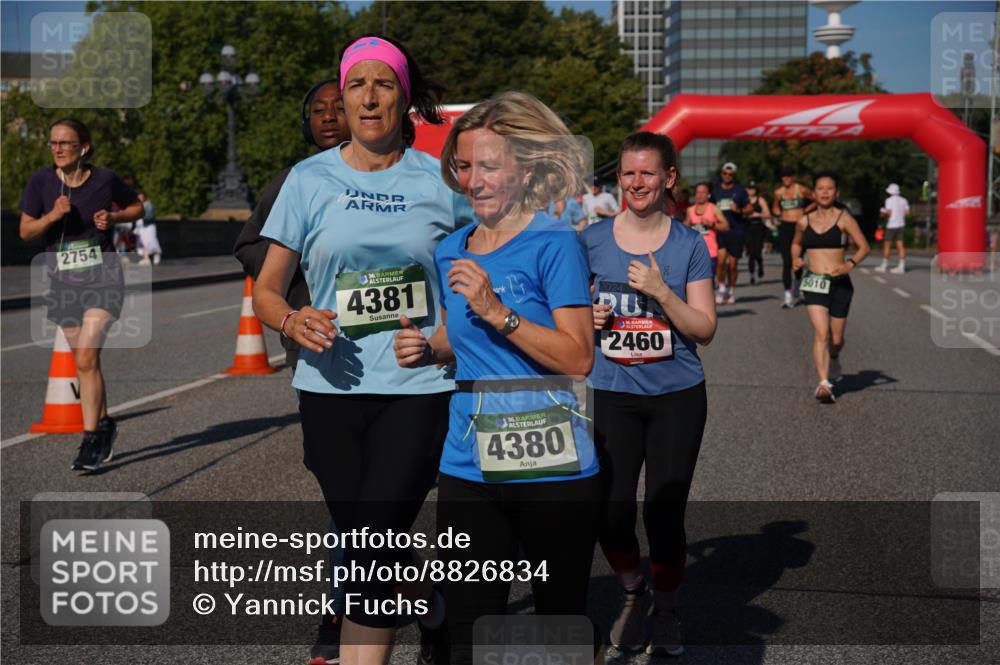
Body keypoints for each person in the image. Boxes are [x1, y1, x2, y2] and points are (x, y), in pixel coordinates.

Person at [253, 36, 461, 665]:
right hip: (329, 390)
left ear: (404, 97)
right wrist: (291, 322)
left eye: (384, 84)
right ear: (342, 99)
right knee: (370, 537)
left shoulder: (444, 179)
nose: (369, 97)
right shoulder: (307, 179)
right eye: (356, 86)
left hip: (417, 386)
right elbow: (265, 290)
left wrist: (440, 341)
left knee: (371, 544)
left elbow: (481, 275)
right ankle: (431, 600)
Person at [395, 91, 600, 665]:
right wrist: (427, 346)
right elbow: (457, 337)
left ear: (525, 168)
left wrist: (497, 311)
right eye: (464, 167)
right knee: (468, 624)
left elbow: (578, 356)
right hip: (469, 461)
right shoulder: (449, 249)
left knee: (558, 622)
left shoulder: (555, 242)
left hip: (553, 460)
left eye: (490, 166)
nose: (474, 181)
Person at [583, 132, 716, 657]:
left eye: (647, 173)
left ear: (669, 179)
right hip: (610, 392)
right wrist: (585, 317)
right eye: (628, 172)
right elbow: (564, 313)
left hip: (676, 397)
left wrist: (662, 292)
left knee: (664, 514)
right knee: (609, 513)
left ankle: (666, 607)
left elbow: (704, 328)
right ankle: (633, 592)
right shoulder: (590, 240)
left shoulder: (688, 246)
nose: (637, 182)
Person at [234, 77, 350, 665]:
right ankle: (344, 609)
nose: (329, 117)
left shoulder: (411, 177)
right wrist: (298, 283)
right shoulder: (298, 178)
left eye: (339, 107)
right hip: (317, 345)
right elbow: (251, 246)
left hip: (404, 362)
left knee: (388, 498)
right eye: (319, 111)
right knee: (344, 497)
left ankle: (399, 600)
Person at [19, 118, 144, 471]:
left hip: (103, 277)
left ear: (83, 148)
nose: (57, 148)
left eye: (65, 143)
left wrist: (114, 219)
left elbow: (135, 206)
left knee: (87, 357)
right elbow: (26, 231)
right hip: (62, 283)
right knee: (83, 361)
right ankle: (104, 424)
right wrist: (52, 217)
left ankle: (90, 439)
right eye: (52, 143)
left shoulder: (105, 179)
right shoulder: (40, 182)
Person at [791, 173, 869, 403]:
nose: (825, 192)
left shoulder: (844, 219)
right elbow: (796, 243)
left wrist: (849, 265)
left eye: (829, 188)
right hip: (815, 282)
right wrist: (796, 258)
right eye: (820, 188)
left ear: (836, 193)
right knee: (821, 333)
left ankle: (834, 357)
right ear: (813, 193)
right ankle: (824, 383)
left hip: (840, 284)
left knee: (836, 339)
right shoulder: (804, 221)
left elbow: (864, 247)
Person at [772, 166, 814, 308]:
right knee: (786, 262)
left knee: (798, 259)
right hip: (785, 227)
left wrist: (806, 210)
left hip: (800, 226)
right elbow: (775, 207)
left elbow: (816, 199)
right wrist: (777, 211)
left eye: (789, 176)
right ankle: (788, 296)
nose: (786, 178)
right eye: (784, 176)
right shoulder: (779, 192)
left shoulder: (801, 189)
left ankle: (798, 283)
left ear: (793, 177)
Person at [711, 162, 752, 305]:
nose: (727, 176)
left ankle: (731, 289)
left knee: (733, 265)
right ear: (721, 174)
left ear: (734, 176)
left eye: (730, 174)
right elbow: (709, 207)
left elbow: (750, 209)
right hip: (721, 230)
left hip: (736, 230)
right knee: (721, 261)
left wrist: (739, 210)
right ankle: (721, 288)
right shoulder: (715, 191)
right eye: (725, 173)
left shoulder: (740, 190)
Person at [684, 182, 729, 278]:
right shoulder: (690, 210)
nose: (700, 195)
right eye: (698, 192)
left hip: (710, 252)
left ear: (708, 195)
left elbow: (726, 226)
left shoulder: (713, 208)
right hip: (694, 252)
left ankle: (719, 287)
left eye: (703, 192)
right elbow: (684, 229)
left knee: (709, 279)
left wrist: (711, 224)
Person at [876, 183, 909, 273]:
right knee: (900, 245)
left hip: (891, 225)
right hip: (901, 224)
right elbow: (907, 212)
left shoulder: (889, 200)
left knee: (887, 245)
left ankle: (884, 265)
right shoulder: (904, 200)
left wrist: (883, 213)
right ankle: (901, 266)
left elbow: (889, 213)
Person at [745, 180, 772, 285]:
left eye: (753, 188)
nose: (751, 190)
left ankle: (760, 265)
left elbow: (768, 214)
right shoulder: (744, 200)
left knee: (757, 252)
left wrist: (758, 214)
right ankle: (752, 275)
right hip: (747, 228)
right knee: (751, 253)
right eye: (749, 188)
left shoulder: (760, 200)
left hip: (758, 228)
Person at [135, 192, 162, 265]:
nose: (140, 198)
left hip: (148, 226)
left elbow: (148, 216)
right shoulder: (138, 205)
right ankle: (146, 258)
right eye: (138, 197)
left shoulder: (148, 204)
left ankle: (156, 254)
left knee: (151, 241)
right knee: (142, 243)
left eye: (141, 197)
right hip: (141, 227)